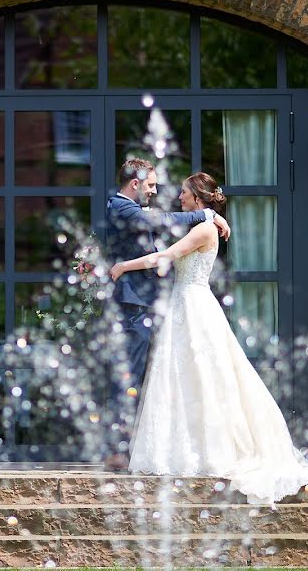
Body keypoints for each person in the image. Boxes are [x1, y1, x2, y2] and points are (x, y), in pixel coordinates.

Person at [109, 172, 308, 505]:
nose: (179, 197)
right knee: (188, 377)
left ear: (198, 198)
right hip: (184, 306)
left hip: (194, 306)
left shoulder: (202, 229)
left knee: (206, 376)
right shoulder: (201, 225)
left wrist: (122, 267)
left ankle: (213, 448)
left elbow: (164, 258)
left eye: (185, 193)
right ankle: (190, 445)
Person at [103, 159, 231, 470]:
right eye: (150, 185)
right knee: (131, 375)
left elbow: (164, 245)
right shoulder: (123, 207)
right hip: (135, 305)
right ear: (135, 184)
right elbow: (162, 222)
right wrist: (206, 214)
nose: (157, 190)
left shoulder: (136, 210)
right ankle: (119, 450)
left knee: (169, 375)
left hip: (165, 304)